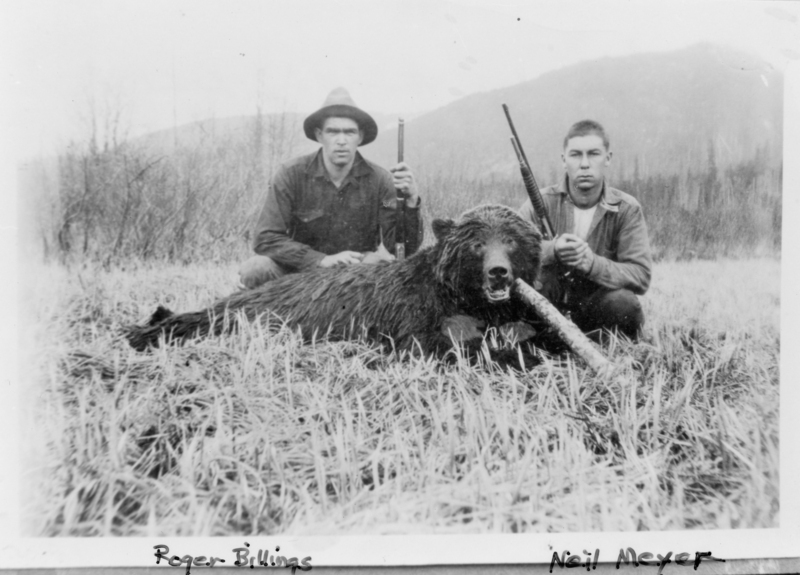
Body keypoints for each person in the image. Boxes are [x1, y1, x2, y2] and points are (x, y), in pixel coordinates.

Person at [239, 87, 423, 288]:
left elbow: (401, 249)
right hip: (298, 272)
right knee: (256, 268)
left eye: (349, 132)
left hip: (354, 276)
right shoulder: (291, 174)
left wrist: (411, 201)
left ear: (360, 137)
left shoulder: (381, 180)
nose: (341, 141)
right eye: (333, 131)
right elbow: (265, 238)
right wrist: (320, 260)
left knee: (386, 268)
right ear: (319, 135)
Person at [519, 120, 652, 340]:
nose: (584, 164)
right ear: (564, 160)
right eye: (575, 155)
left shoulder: (627, 209)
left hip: (596, 305)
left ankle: (581, 342)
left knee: (624, 306)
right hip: (549, 302)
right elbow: (513, 251)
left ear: (607, 158)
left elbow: (640, 276)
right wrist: (553, 250)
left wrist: (592, 264)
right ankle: (549, 341)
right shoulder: (540, 202)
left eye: (593, 154)